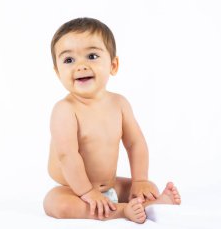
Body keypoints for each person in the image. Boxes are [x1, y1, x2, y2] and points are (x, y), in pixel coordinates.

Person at [43, 18, 181, 223]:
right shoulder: (64, 110)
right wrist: (87, 192)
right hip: (73, 189)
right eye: (69, 60)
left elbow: (135, 143)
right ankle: (123, 211)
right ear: (57, 72)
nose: (80, 66)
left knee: (148, 187)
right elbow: (67, 156)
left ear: (113, 65)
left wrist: (140, 180)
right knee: (55, 204)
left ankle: (150, 202)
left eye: (92, 56)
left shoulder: (119, 104)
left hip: (110, 186)